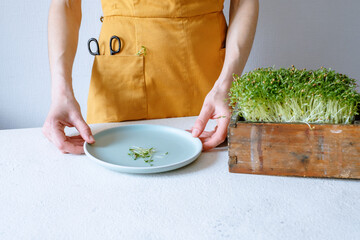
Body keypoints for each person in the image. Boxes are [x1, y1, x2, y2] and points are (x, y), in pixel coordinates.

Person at [42, 0, 259, 154]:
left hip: (208, 89)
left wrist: (226, 84)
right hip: (119, 86)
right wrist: (61, 92)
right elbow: (66, 3)